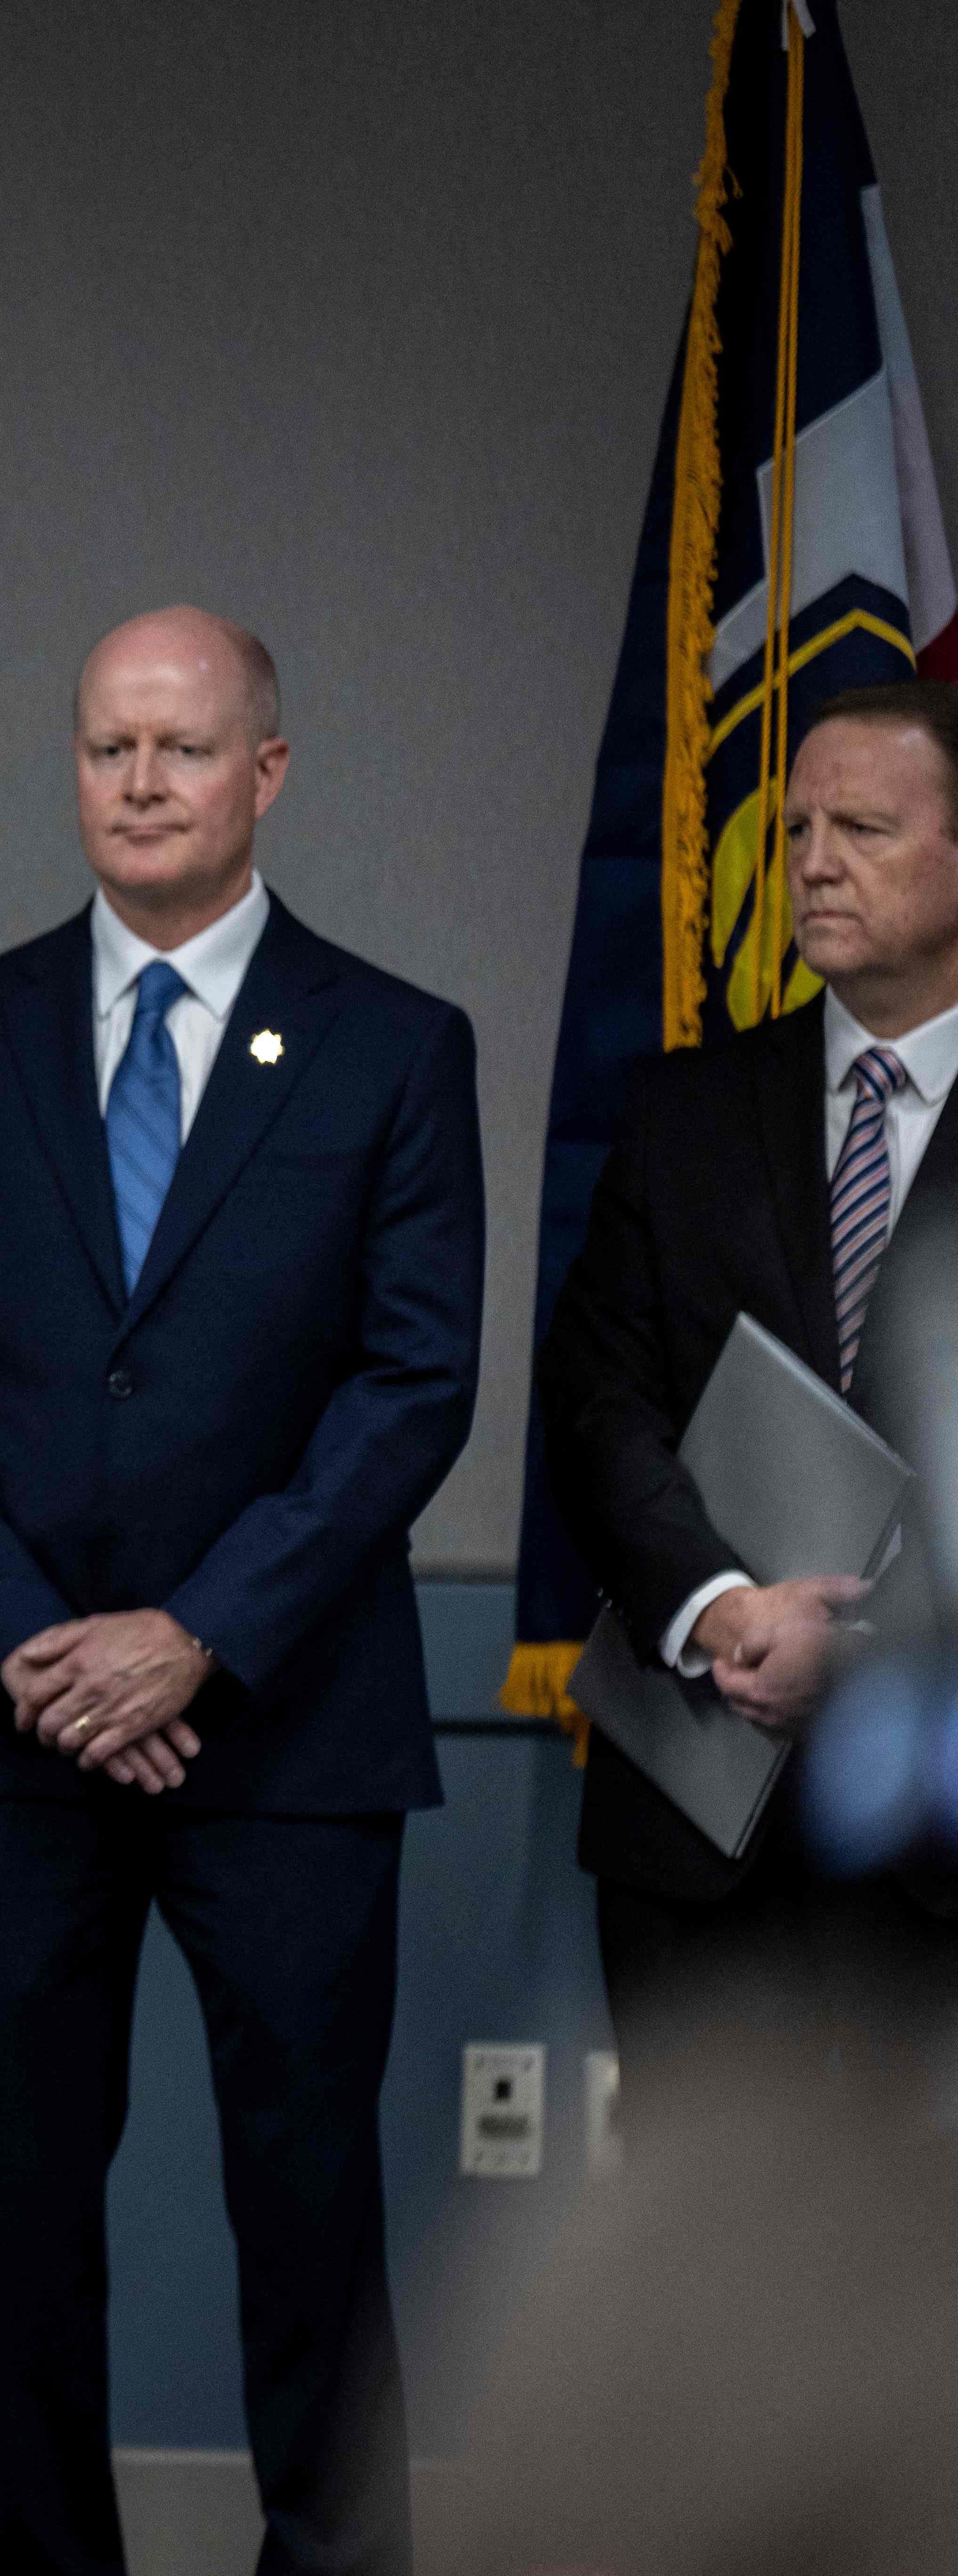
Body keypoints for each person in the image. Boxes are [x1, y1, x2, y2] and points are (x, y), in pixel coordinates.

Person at [0, 608, 482, 2576]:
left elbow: (413, 1378)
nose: (135, 783)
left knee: (304, 2207)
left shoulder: (391, 1042)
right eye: (106, 746)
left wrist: (196, 1628)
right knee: (14, 2210)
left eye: (179, 750)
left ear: (263, 773)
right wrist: (30, 1641)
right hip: (5, 1720)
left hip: (282, 1727)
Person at [537, 680, 958, 2104]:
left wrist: (875, 1645)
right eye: (795, 831)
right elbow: (597, 1404)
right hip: (699, 1830)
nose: (816, 862)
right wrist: (723, 1608)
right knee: (708, 2306)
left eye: (865, 828)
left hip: (934, 1832)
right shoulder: (683, 1111)